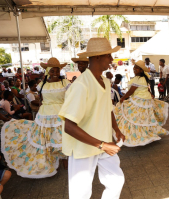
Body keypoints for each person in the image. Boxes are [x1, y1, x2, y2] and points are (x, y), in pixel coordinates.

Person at [58, 38, 125, 199]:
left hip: (103, 143)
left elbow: (107, 109)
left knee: (116, 181)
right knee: (80, 193)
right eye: (108, 55)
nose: (111, 59)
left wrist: (116, 130)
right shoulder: (81, 85)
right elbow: (69, 126)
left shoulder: (105, 81)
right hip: (84, 147)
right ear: (96, 57)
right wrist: (102, 145)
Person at [0, 57, 71, 178]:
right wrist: (39, 110)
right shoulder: (41, 85)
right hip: (45, 116)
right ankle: (52, 162)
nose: (55, 73)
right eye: (52, 71)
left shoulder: (66, 83)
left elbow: (70, 99)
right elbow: (41, 101)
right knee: (47, 139)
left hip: (61, 114)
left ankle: (65, 161)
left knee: (61, 138)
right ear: (47, 71)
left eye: (57, 71)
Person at [114, 60, 169, 147]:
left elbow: (131, 91)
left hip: (140, 101)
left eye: (137, 68)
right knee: (142, 118)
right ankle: (144, 134)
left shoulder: (140, 79)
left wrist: (123, 98)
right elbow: (147, 87)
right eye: (134, 67)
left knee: (135, 117)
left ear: (141, 70)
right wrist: (150, 93)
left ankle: (139, 135)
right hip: (143, 101)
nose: (134, 69)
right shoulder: (142, 77)